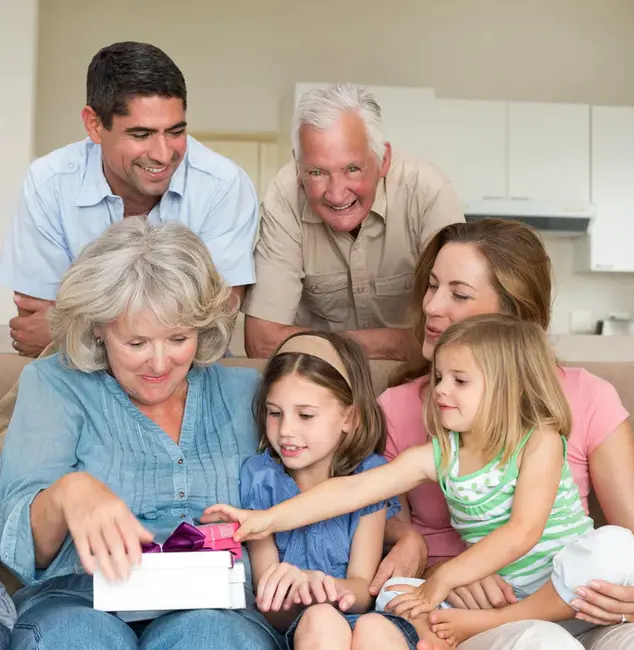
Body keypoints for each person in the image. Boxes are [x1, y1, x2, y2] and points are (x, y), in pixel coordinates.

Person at [201, 314, 634, 649]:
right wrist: (264, 519)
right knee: (393, 593)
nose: (440, 390)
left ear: (508, 387)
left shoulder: (540, 440)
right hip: (498, 590)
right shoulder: (442, 453)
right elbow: (352, 490)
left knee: (617, 546)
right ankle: (503, 618)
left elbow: (522, 532)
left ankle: (508, 620)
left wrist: (444, 580)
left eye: (460, 380)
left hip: (563, 586)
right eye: (438, 378)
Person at [0, 219, 283, 650]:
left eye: (178, 338)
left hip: (218, 607)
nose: (158, 363)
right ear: (98, 327)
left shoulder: (247, 393)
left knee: (210, 637)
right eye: (135, 343)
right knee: (79, 638)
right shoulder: (55, 384)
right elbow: (16, 548)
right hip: (79, 600)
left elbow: (324, 477)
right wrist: (66, 495)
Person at [375, 219, 634, 649]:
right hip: (469, 612)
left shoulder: (588, 396)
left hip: (579, 599)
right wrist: (436, 570)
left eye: (459, 293)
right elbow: (379, 522)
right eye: (432, 286)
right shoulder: (396, 407)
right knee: (540, 642)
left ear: (512, 315)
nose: (431, 306)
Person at [0, 40, 258, 358]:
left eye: (176, 131)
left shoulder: (224, 186)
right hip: (74, 386)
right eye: (141, 134)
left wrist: (72, 330)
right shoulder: (48, 183)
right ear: (94, 125)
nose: (163, 154)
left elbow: (213, 330)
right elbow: (33, 329)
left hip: (193, 385)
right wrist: (171, 325)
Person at [217, 329, 429, 650]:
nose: (286, 430)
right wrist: (299, 592)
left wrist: (324, 586)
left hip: (360, 617)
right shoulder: (260, 477)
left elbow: (362, 591)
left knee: (374, 627)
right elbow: (271, 606)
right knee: (321, 619)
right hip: (301, 628)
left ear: (350, 417)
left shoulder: (369, 477)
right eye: (275, 413)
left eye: (305, 415)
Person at [242, 82, 465, 361]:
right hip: (319, 388)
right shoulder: (284, 196)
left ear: (383, 160)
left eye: (352, 169)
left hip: (416, 385)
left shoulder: (428, 192)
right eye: (316, 172)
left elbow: (461, 337)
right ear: (298, 167)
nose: (336, 194)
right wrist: (399, 343)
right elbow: (261, 342)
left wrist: (312, 343)